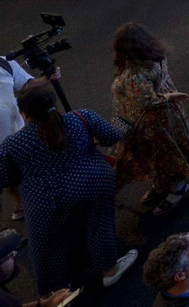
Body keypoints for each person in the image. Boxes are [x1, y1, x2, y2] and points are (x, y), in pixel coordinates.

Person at [0, 86, 138, 291]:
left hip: (43, 200)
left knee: (47, 245)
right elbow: (111, 136)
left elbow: (6, 178)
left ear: (24, 114)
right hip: (92, 183)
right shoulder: (80, 117)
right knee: (98, 225)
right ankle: (110, 269)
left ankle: (57, 292)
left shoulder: (12, 143)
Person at [110, 23, 189, 216]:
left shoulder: (136, 73)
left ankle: (179, 189)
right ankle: (165, 183)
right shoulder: (156, 57)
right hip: (170, 115)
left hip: (152, 124)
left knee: (163, 156)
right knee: (172, 151)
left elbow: (147, 102)